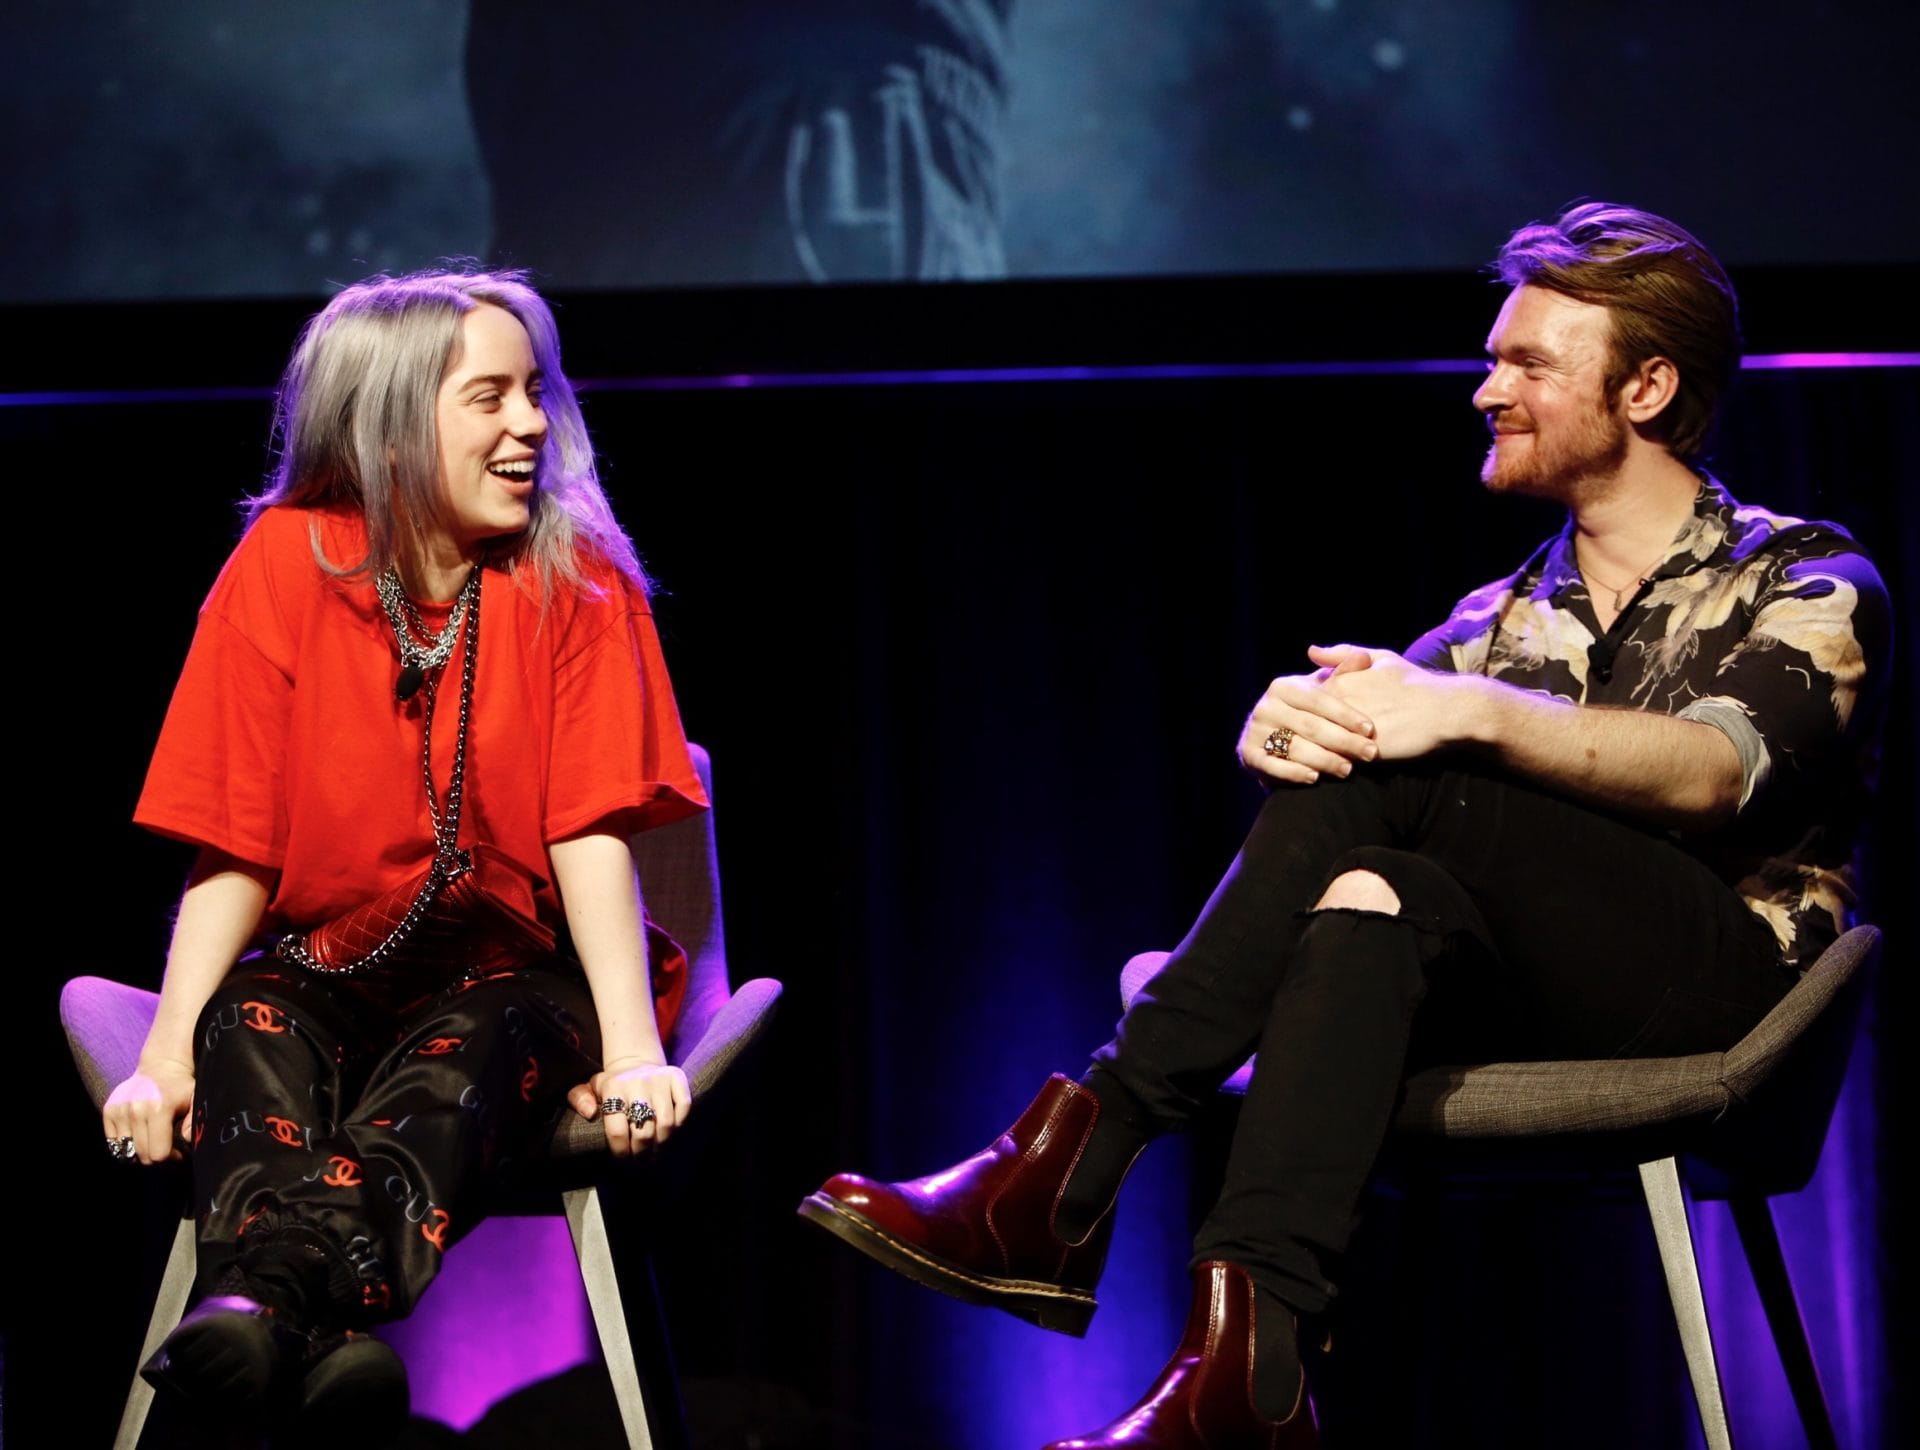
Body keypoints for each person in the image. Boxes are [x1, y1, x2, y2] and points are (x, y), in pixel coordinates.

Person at [799, 203, 1892, 1449]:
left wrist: (1442, 711)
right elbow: (1365, 772)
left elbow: (1710, 774)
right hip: (1528, 992)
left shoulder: (1808, 576)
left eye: (1528, 362)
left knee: (1406, 758)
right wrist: (1290, 730)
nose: (1488, 389)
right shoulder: (1496, 615)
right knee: (1368, 893)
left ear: (1646, 386)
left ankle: (1068, 1165)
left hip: (1729, 994)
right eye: (1494, 359)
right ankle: (1248, 1372)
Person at [102, 268, 708, 1444]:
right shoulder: (283, 563)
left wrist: (633, 1048)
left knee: (461, 1051)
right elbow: (234, 842)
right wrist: (168, 1050)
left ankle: (261, 1305)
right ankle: (322, 1347)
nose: (531, 422)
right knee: (250, 1024)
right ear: (388, 423)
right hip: (337, 962)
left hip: (520, 980)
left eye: (534, 391)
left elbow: (590, 834)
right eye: (489, 397)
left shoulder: (574, 576)